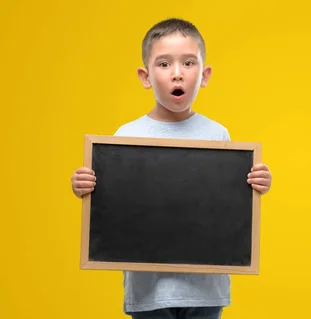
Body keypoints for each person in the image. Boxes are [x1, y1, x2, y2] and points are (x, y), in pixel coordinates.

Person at [69, 17, 272, 319]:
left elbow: (232, 205)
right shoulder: (126, 137)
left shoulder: (219, 136)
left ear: (204, 75)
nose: (177, 74)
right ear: (145, 76)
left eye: (188, 63)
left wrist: (258, 183)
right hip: (148, 290)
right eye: (164, 65)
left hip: (206, 289)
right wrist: (84, 186)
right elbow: (112, 205)